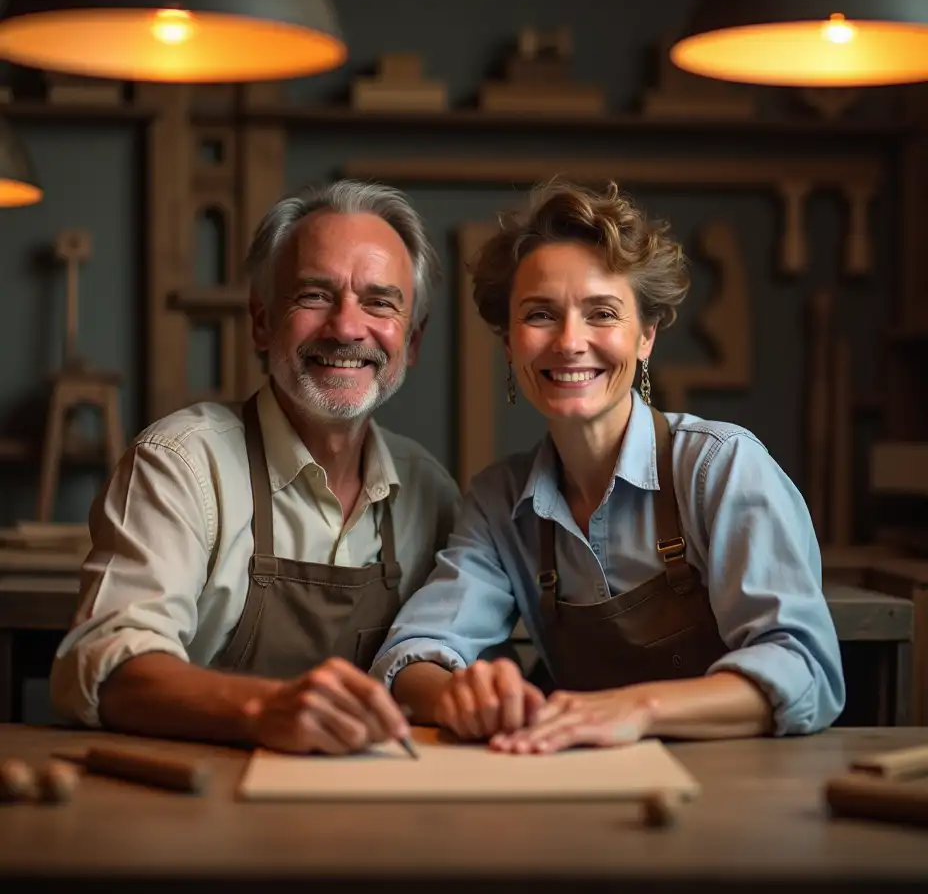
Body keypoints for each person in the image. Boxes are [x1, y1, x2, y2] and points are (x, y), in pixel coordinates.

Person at [372, 180, 845, 752]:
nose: (570, 342)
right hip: (587, 790)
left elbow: (805, 670)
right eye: (540, 314)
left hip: (738, 788)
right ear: (508, 344)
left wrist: (637, 709)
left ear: (645, 335)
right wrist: (460, 696)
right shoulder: (500, 502)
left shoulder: (720, 467)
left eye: (601, 313)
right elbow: (410, 653)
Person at [50, 179, 461, 755]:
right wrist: (264, 708)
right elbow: (103, 664)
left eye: (379, 302)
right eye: (314, 295)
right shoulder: (180, 466)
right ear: (262, 322)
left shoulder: (430, 492)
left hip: (368, 816)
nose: (346, 328)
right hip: (196, 807)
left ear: (411, 342)